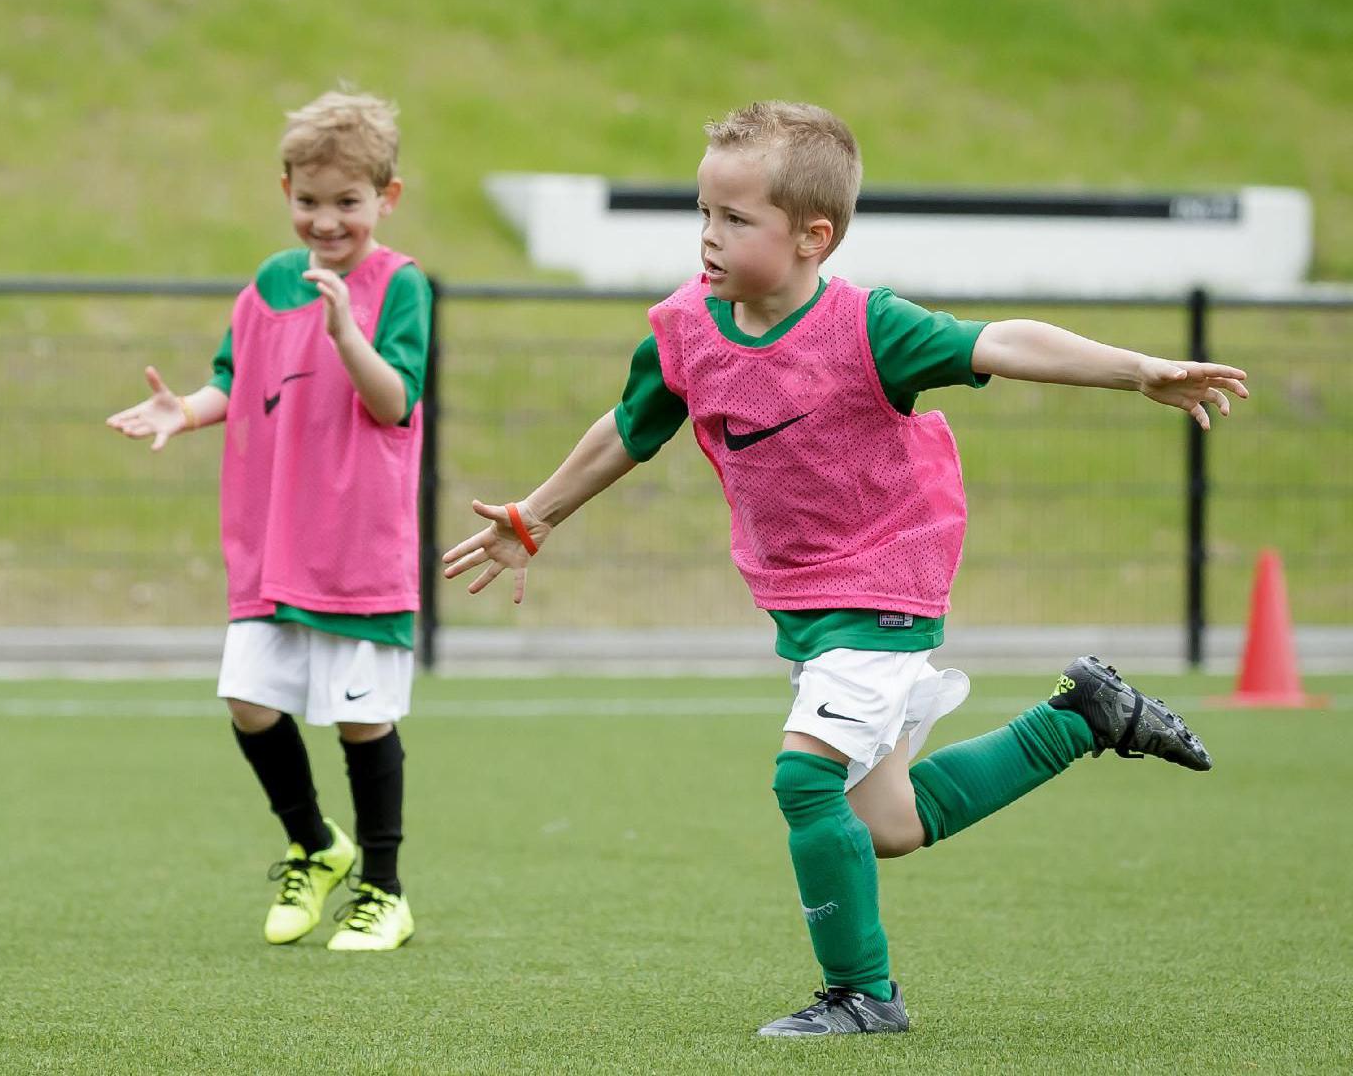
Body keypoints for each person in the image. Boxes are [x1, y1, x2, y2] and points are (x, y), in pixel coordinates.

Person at [444, 100, 1241, 1033]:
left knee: (803, 778)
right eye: (703, 212)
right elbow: (630, 428)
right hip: (809, 607)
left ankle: (863, 996)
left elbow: (1002, 342)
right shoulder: (686, 328)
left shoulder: (869, 330)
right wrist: (532, 517)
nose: (709, 237)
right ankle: (1085, 718)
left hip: (886, 579)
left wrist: (1136, 367)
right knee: (888, 826)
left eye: (736, 220)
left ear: (814, 237)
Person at [107, 90, 430, 951]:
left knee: (362, 721)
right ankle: (316, 843)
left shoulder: (399, 286)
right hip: (273, 543)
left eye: (348, 203)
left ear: (387, 198)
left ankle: (385, 891)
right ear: (285, 190)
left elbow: (394, 401)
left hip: (356, 548)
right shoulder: (266, 285)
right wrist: (186, 410)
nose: (327, 222)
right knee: (249, 701)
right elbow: (234, 379)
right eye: (310, 201)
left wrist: (345, 332)